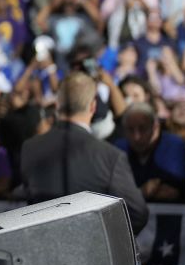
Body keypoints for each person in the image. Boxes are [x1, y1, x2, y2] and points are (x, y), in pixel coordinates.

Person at [19, 72, 149, 234]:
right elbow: (137, 214)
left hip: (42, 250)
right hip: (94, 252)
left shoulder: (29, 148)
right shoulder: (110, 157)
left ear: (58, 104)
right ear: (93, 107)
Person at [113, 101, 185, 201]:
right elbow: (113, 190)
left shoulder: (173, 146)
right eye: (130, 129)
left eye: (142, 129)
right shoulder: (119, 148)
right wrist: (141, 192)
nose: (136, 137)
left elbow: (173, 190)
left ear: (155, 127)